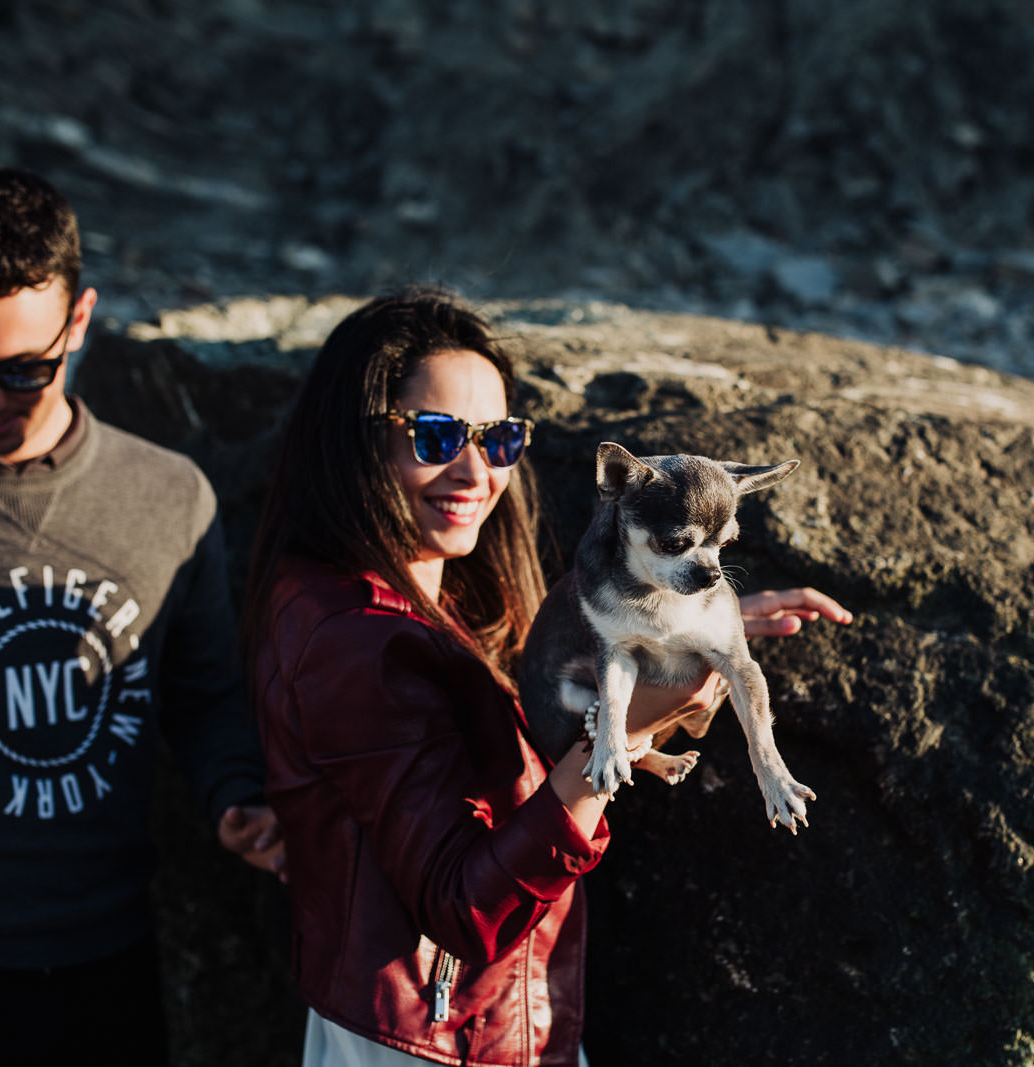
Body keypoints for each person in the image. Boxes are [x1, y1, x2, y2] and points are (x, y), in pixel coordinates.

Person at [244, 288, 851, 1067]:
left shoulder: (428, 584)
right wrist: (622, 733)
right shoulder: (357, 640)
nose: (474, 470)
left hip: (473, 1024)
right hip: (436, 1041)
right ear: (353, 441)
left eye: (497, 438)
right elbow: (463, 907)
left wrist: (677, 613)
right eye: (435, 434)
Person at [0, 164, 284, 1066]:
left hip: (100, 961)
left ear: (79, 321)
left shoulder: (169, 497)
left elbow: (202, 696)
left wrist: (237, 793)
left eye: (21, 368)